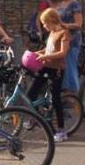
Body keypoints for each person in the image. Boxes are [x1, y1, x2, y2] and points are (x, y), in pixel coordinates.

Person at [29, 9, 70, 141]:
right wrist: (37, 53)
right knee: (31, 92)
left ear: (52, 21)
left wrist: (45, 56)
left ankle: (62, 131)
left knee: (55, 98)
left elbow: (63, 53)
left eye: (45, 24)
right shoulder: (52, 32)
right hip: (46, 66)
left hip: (57, 69)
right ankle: (36, 117)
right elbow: (48, 49)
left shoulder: (64, 33)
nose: (44, 27)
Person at [53, 0, 84, 93]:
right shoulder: (60, 4)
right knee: (62, 67)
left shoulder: (74, 4)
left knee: (70, 67)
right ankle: (64, 92)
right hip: (60, 40)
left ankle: (73, 95)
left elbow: (79, 24)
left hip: (72, 41)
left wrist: (65, 25)